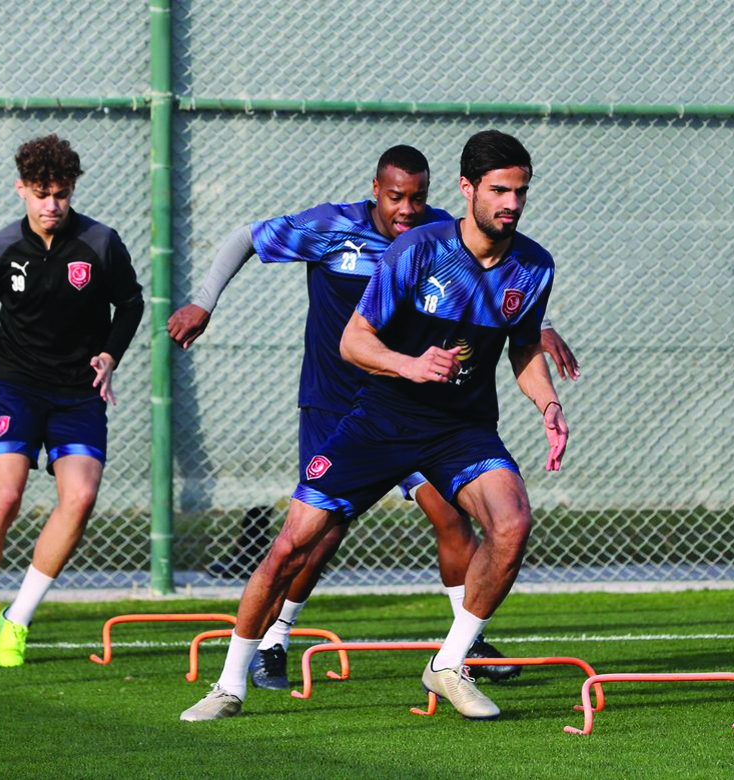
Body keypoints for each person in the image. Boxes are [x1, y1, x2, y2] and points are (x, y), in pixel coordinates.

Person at [182, 129, 567, 721]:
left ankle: (451, 663)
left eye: (520, 191)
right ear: (469, 190)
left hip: (461, 427)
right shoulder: (418, 249)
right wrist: (411, 364)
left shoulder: (534, 264)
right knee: (295, 545)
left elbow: (521, 350)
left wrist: (547, 405)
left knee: (510, 522)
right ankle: (232, 682)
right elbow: (354, 341)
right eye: (499, 190)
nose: (511, 203)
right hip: (382, 418)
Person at [0, 134, 144, 670]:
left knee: (80, 496)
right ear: (21, 189)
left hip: (78, 392)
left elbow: (131, 302)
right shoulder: (2, 247)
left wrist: (109, 355)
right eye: (41, 193)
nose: (51, 205)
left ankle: (17, 620)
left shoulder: (100, 243)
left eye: (61, 194)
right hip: (17, 384)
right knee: (3, 497)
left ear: (72, 191)